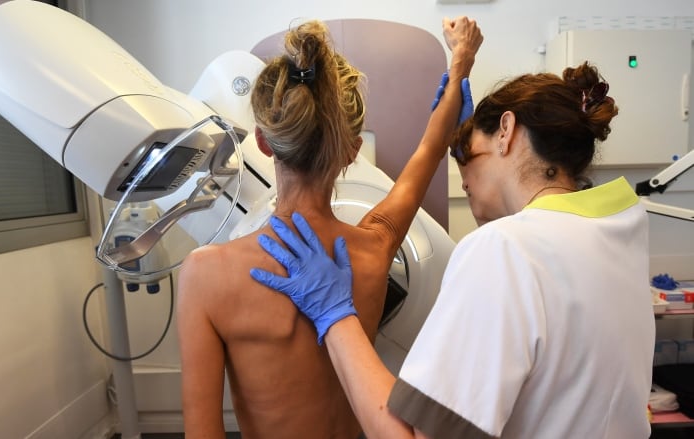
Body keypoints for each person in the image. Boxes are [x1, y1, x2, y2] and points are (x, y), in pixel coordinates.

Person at [252, 62, 656, 438]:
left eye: (468, 157)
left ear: (507, 130)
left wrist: (335, 314)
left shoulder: (505, 249)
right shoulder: (617, 232)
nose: (463, 177)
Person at [176, 17, 482, 438]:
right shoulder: (375, 249)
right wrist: (461, 59)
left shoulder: (204, 276)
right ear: (353, 151)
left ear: (263, 141)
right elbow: (429, 150)